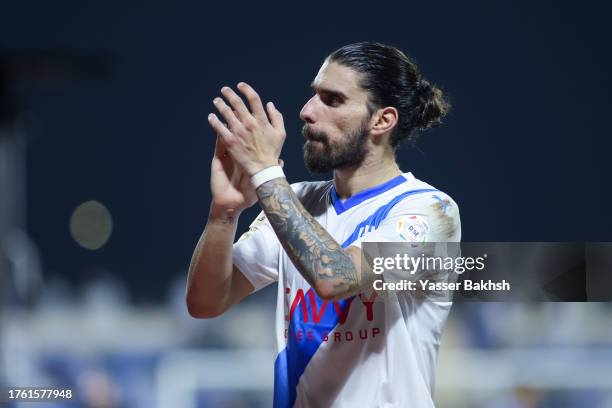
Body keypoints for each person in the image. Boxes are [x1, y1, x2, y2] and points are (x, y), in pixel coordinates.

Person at [186, 42, 461, 407]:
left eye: (332, 100)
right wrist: (224, 213)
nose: (306, 111)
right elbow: (206, 302)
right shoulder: (295, 201)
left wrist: (266, 174)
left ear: (382, 120)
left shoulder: (429, 212)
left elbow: (336, 277)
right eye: (313, 95)